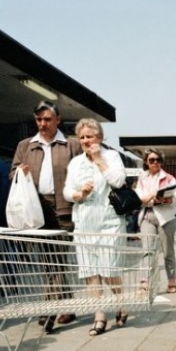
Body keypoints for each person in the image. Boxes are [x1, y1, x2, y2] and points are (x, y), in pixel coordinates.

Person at [11, 100, 82, 329]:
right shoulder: (25, 146)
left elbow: (83, 173)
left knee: (57, 258)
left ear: (58, 120)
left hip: (63, 207)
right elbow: (12, 172)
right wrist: (19, 173)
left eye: (47, 119)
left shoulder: (71, 146)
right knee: (49, 260)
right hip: (37, 209)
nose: (42, 124)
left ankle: (47, 309)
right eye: (39, 119)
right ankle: (69, 307)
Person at [63, 119, 128, 336]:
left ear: (99, 137)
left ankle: (121, 302)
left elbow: (118, 181)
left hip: (109, 222)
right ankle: (99, 316)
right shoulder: (75, 163)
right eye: (81, 137)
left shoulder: (111, 156)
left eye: (89, 136)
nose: (85, 141)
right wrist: (79, 194)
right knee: (90, 272)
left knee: (109, 270)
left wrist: (99, 159)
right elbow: (67, 190)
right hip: (84, 222)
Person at [136, 148, 176, 293]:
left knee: (168, 251)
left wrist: (169, 199)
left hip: (166, 217)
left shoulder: (169, 178)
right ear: (146, 162)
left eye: (158, 160)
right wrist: (151, 196)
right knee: (147, 250)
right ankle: (145, 282)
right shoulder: (142, 178)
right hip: (147, 216)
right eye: (152, 160)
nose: (155, 163)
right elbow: (139, 199)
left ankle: (172, 280)